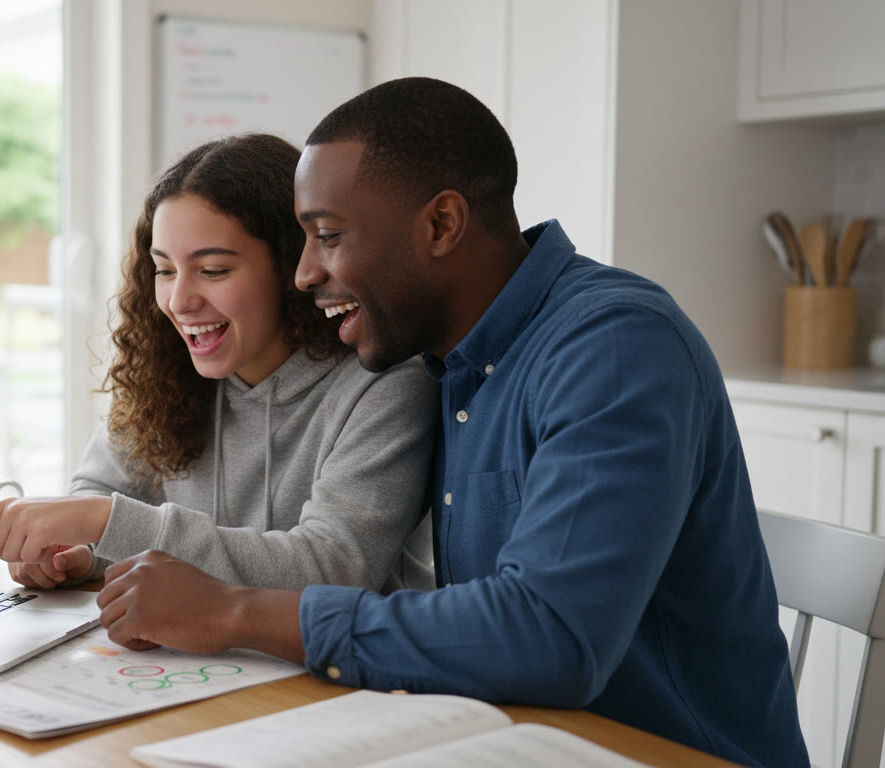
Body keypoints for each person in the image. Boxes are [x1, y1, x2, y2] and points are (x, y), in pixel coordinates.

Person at [87, 79, 810, 768]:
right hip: (521, 736)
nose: (303, 274)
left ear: (441, 224)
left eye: (328, 236)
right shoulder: (451, 365)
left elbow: (549, 635)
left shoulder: (614, 347)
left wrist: (235, 611)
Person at [0, 132, 438, 596]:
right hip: (203, 670)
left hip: (337, 681)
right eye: (164, 270)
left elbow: (334, 568)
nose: (178, 300)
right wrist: (75, 552)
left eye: (213, 270)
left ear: (292, 268)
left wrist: (104, 521)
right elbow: (100, 490)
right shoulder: (168, 373)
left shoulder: (386, 385)